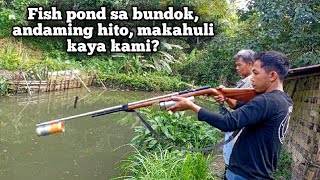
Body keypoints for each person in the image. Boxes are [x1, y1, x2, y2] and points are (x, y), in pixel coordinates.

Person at [167, 51, 293, 179]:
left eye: (255, 73)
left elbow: (227, 123)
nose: (252, 78)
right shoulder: (284, 100)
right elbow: (249, 110)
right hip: (258, 172)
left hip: (245, 174)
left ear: (272, 75)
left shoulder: (266, 101)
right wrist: (226, 97)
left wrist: (192, 106)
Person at [216, 49, 255, 172]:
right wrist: (225, 96)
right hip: (234, 124)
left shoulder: (252, 81)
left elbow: (243, 105)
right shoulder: (244, 81)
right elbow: (235, 103)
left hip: (239, 127)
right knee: (229, 155)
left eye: (239, 65)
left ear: (250, 64)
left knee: (231, 157)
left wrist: (226, 96)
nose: (237, 68)